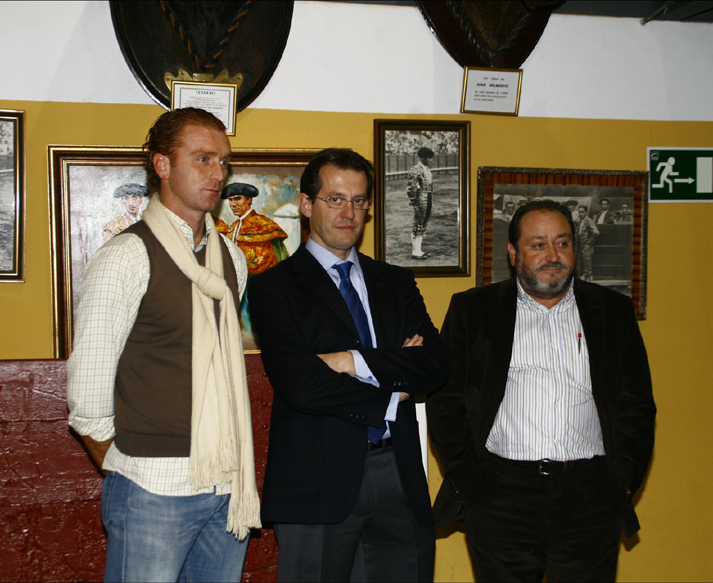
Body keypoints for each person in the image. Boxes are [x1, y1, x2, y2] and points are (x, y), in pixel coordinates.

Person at [67, 108, 260, 583]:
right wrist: (132, 470)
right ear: (162, 165)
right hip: (152, 487)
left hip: (228, 481)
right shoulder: (126, 256)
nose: (218, 174)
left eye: (224, 162)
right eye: (203, 159)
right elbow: (87, 399)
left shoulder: (232, 258)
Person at [248, 148, 450, 582]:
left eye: (359, 201)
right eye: (335, 199)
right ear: (307, 204)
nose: (349, 213)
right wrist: (392, 393)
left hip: (399, 475)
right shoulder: (273, 288)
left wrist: (350, 361)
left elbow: (435, 364)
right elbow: (302, 384)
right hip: (317, 483)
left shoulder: (395, 282)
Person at [427, 200, 655, 582]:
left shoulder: (611, 311)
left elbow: (637, 405)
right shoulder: (474, 311)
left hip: (590, 495)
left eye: (562, 243)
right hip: (500, 494)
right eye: (538, 245)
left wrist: (619, 481)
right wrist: (471, 480)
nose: (553, 255)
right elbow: (445, 402)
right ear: (513, 253)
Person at [220, 181, 289, 275]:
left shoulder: (264, 224)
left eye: (237, 198)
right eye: (230, 200)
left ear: (249, 200)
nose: (233, 204)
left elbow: (279, 258)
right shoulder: (233, 227)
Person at [406, 146, 434, 259]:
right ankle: (415, 251)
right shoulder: (415, 170)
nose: (431, 160)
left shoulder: (427, 169)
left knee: (423, 224)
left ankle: (419, 250)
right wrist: (414, 201)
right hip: (420, 199)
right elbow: (411, 188)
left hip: (428, 197)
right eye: (429, 158)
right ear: (422, 158)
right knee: (418, 224)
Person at [576, 204, 600, 281]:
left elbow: (596, 232)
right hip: (581, 245)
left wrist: (589, 243)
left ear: (586, 212)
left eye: (582, 212)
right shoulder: (581, 221)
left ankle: (588, 279)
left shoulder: (588, 221)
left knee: (587, 263)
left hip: (586, 245)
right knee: (582, 263)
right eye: (579, 212)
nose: (580, 214)